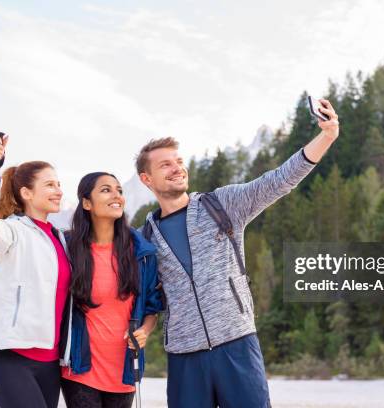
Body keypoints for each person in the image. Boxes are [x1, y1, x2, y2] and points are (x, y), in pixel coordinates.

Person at [136, 99, 340, 407]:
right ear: (146, 179)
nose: (177, 168)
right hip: (184, 356)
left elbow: (279, 180)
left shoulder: (222, 205)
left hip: (237, 344)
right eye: (165, 164)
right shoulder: (144, 239)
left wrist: (326, 136)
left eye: (178, 161)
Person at [0, 133, 71, 408]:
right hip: (10, 355)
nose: (59, 190)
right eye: (50, 184)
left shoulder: (60, 239)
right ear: (26, 193)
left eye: (59, 184)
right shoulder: (13, 230)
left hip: (50, 362)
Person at [60, 172, 162, 408]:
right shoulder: (68, 249)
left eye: (119, 190)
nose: (116, 195)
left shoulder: (142, 253)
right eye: (106, 190)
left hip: (124, 369)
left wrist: (144, 332)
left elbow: (151, 309)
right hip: (80, 368)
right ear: (87, 203)